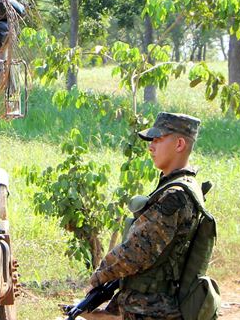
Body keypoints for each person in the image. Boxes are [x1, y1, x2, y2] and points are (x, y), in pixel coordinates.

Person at [88, 112, 206, 320]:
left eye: (158, 140)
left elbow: (136, 252)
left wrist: (99, 276)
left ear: (179, 144)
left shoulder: (174, 195)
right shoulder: (184, 186)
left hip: (152, 310)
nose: (151, 146)